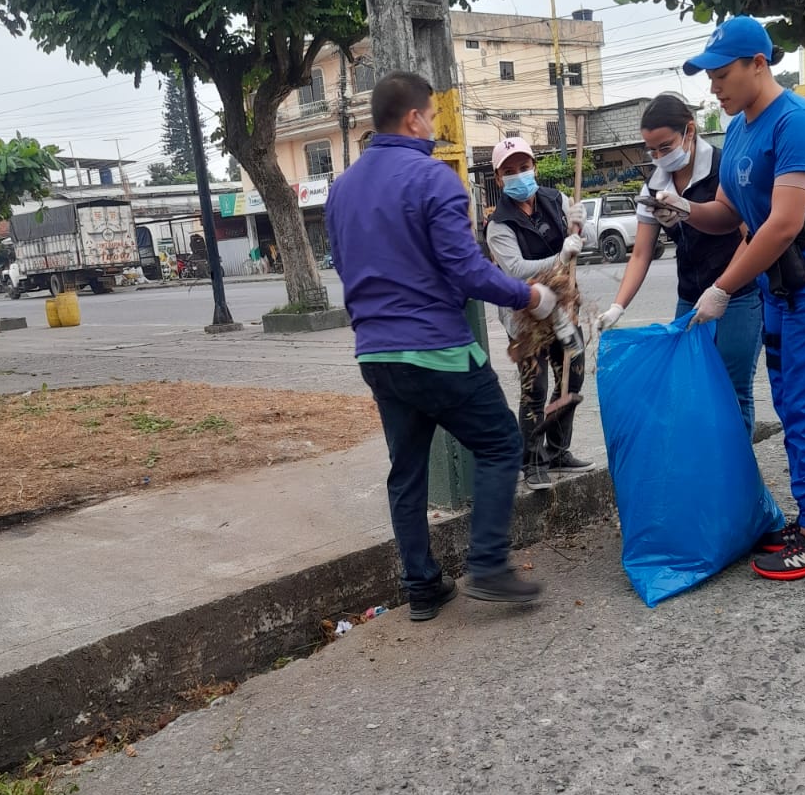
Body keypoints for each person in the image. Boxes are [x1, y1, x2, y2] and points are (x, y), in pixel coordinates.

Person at [326, 71, 558, 619]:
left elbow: (344, 264)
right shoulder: (434, 179)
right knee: (500, 443)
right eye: (430, 117)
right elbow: (467, 270)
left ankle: (422, 586)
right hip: (437, 350)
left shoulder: (342, 189)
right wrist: (530, 295)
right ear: (413, 118)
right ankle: (488, 565)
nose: (433, 126)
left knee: (406, 471)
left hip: (377, 353)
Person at [654, 16, 805, 582]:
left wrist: (722, 287)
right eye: (709, 77)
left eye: (722, 75)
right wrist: (683, 209)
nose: (714, 87)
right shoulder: (739, 130)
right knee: (792, 399)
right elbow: (728, 213)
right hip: (784, 279)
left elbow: (783, 224)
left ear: (758, 64)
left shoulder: (797, 122)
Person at [598, 93, 762, 436]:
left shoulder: (722, 168)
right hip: (690, 297)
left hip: (738, 294)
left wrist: (723, 289)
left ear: (689, 131)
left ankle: (738, 468)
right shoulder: (654, 185)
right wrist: (618, 306)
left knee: (732, 390)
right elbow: (641, 253)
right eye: (652, 150)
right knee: (690, 388)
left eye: (665, 147)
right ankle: (706, 464)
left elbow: (749, 236)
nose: (659, 157)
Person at [485, 138, 594, 488]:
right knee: (535, 386)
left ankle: (558, 450)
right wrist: (561, 257)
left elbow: (583, 241)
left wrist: (581, 224)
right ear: (499, 178)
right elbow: (517, 270)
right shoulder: (498, 225)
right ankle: (531, 461)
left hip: (562, 309)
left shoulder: (556, 199)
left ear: (534, 166)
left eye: (524, 167)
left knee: (572, 374)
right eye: (509, 170)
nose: (519, 175)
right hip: (524, 314)